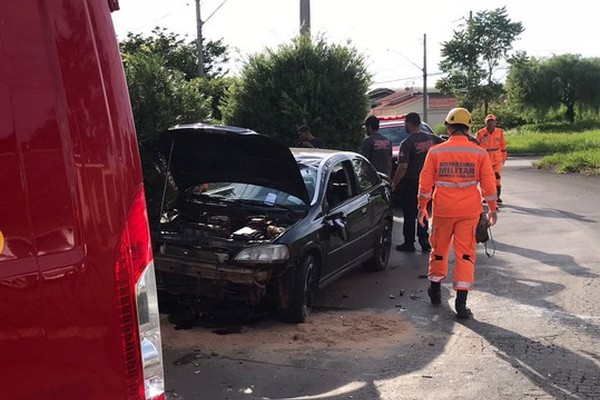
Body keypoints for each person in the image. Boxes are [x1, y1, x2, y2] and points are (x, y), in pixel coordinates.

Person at [417, 107, 498, 319]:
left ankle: (435, 291)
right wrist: (492, 209)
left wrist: (422, 207)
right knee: (465, 254)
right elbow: (489, 185)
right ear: (468, 127)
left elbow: (425, 184)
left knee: (439, 250)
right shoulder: (479, 153)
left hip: (443, 210)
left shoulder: (435, 152)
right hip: (468, 212)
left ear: (448, 126)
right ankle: (461, 305)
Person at [391, 112, 443, 253]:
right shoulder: (430, 138)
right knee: (423, 209)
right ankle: (424, 239)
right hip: (428, 182)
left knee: (409, 213)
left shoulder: (407, 143)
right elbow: (444, 143)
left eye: (405, 124)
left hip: (411, 181)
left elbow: (403, 167)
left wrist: (394, 184)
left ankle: (409, 243)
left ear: (408, 123)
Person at [476, 114, 507, 204]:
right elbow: (476, 146)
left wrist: (504, 157)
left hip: (496, 159)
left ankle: (497, 197)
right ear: (485, 123)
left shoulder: (499, 132)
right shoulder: (480, 133)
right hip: (484, 159)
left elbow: (503, 146)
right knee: (485, 178)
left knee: (497, 178)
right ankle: (484, 197)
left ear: (495, 122)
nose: (490, 123)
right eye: (488, 122)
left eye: (492, 121)